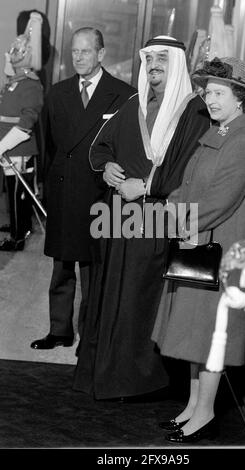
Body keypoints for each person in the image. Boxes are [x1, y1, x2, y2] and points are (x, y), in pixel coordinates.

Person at [72, 35, 211, 400]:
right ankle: (105, 375)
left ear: (177, 63)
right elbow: (99, 147)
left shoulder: (194, 112)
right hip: (118, 221)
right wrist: (107, 169)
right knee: (109, 294)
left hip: (159, 222)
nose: (153, 67)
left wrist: (145, 187)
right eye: (149, 60)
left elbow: (189, 169)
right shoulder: (134, 104)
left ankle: (138, 382)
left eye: (161, 60)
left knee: (140, 298)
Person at [151, 56, 245, 443]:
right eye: (208, 93)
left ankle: (205, 412)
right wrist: (172, 206)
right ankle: (193, 407)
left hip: (222, 257)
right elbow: (189, 183)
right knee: (196, 337)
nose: (209, 99)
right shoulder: (218, 134)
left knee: (213, 338)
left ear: (241, 98)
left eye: (218, 93)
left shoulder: (244, 141)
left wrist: (180, 218)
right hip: (201, 248)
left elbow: (220, 200)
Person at [30, 27, 135, 351]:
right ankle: (59, 330)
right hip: (63, 191)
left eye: (85, 51)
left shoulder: (123, 93)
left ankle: (89, 337)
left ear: (101, 54)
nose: (78, 57)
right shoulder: (58, 92)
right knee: (61, 265)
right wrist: (45, 185)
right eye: (74, 51)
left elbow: (127, 146)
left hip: (98, 194)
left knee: (94, 270)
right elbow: (47, 145)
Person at [0, 12, 44, 252]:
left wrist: (1, 146)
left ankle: (17, 238)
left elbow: (26, 123)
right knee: (13, 194)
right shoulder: (15, 81)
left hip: (18, 148)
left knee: (19, 196)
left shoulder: (30, 84)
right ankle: (19, 227)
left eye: (16, 52)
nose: (11, 54)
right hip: (9, 148)